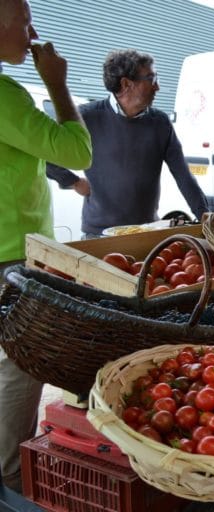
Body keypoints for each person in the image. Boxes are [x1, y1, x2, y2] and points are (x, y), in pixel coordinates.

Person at [0, 0, 92, 492]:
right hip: (12, 253)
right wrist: (57, 81)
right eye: (25, 22)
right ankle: (11, 478)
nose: (33, 32)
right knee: (22, 363)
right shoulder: (4, 94)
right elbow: (78, 152)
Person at [47, 49, 209, 237]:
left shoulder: (160, 122)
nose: (158, 87)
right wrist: (73, 182)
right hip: (98, 236)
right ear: (126, 84)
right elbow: (45, 155)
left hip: (145, 233)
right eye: (151, 78)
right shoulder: (86, 117)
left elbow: (183, 175)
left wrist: (204, 215)